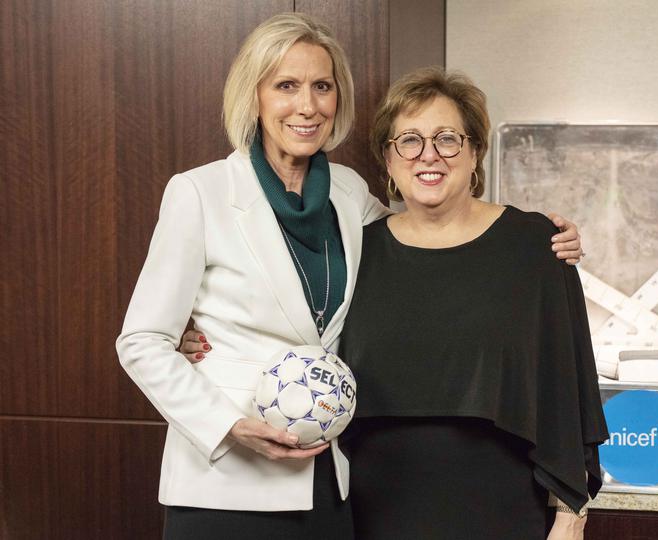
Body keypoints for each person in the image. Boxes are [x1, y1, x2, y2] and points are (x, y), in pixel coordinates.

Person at [117, 13, 583, 540]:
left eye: (322, 86)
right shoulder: (199, 194)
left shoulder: (349, 193)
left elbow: (433, 241)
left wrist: (537, 237)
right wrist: (229, 424)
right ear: (254, 96)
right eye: (286, 86)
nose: (307, 105)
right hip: (226, 482)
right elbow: (142, 341)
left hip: (330, 485)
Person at [341, 67, 608, 539]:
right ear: (388, 158)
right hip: (371, 516)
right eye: (409, 140)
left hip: (501, 515)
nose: (428, 155)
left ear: (474, 152)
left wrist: (571, 517)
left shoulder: (535, 246)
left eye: (447, 139)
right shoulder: (356, 251)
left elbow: (568, 387)